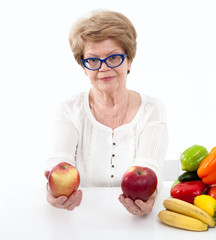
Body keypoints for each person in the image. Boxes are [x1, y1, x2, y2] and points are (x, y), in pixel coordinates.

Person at [44, 10, 168, 215]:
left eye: (114, 58)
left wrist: (150, 196)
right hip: (80, 219)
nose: (103, 68)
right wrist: (53, 189)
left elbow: (149, 166)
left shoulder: (152, 110)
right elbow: (58, 160)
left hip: (137, 225)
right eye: (92, 60)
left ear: (129, 61)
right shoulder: (69, 108)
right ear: (83, 66)